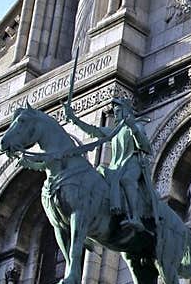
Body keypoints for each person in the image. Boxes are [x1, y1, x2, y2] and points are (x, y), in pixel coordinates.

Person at [65, 95, 157, 230]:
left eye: (118, 111)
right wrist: (75, 119)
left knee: (126, 180)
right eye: (114, 111)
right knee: (99, 174)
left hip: (133, 163)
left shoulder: (137, 125)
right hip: (117, 166)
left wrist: (133, 128)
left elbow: (145, 147)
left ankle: (135, 217)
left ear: (126, 111)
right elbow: (94, 131)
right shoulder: (115, 131)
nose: (115, 114)